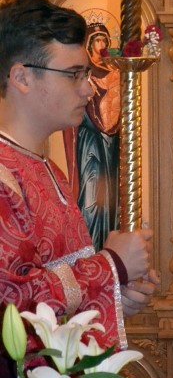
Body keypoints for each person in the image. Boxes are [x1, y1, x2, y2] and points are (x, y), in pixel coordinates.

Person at [0, 0, 157, 376]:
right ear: (21, 77)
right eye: (73, 74)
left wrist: (116, 292)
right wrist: (112, 265)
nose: (88, 89)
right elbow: (12, 305)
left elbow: (60, 293)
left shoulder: (48, 169)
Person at [63, 21, 121, 250]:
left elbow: (115, 109)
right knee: (90, 193)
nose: (101, 44)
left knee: (109, 195)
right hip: (89, 143)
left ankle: (107, 242)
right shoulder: (83, 73)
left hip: (110, 143)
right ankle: (89, 245)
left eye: (104, 40)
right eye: (97, 40)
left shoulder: (115, 72)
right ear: (89, 44)